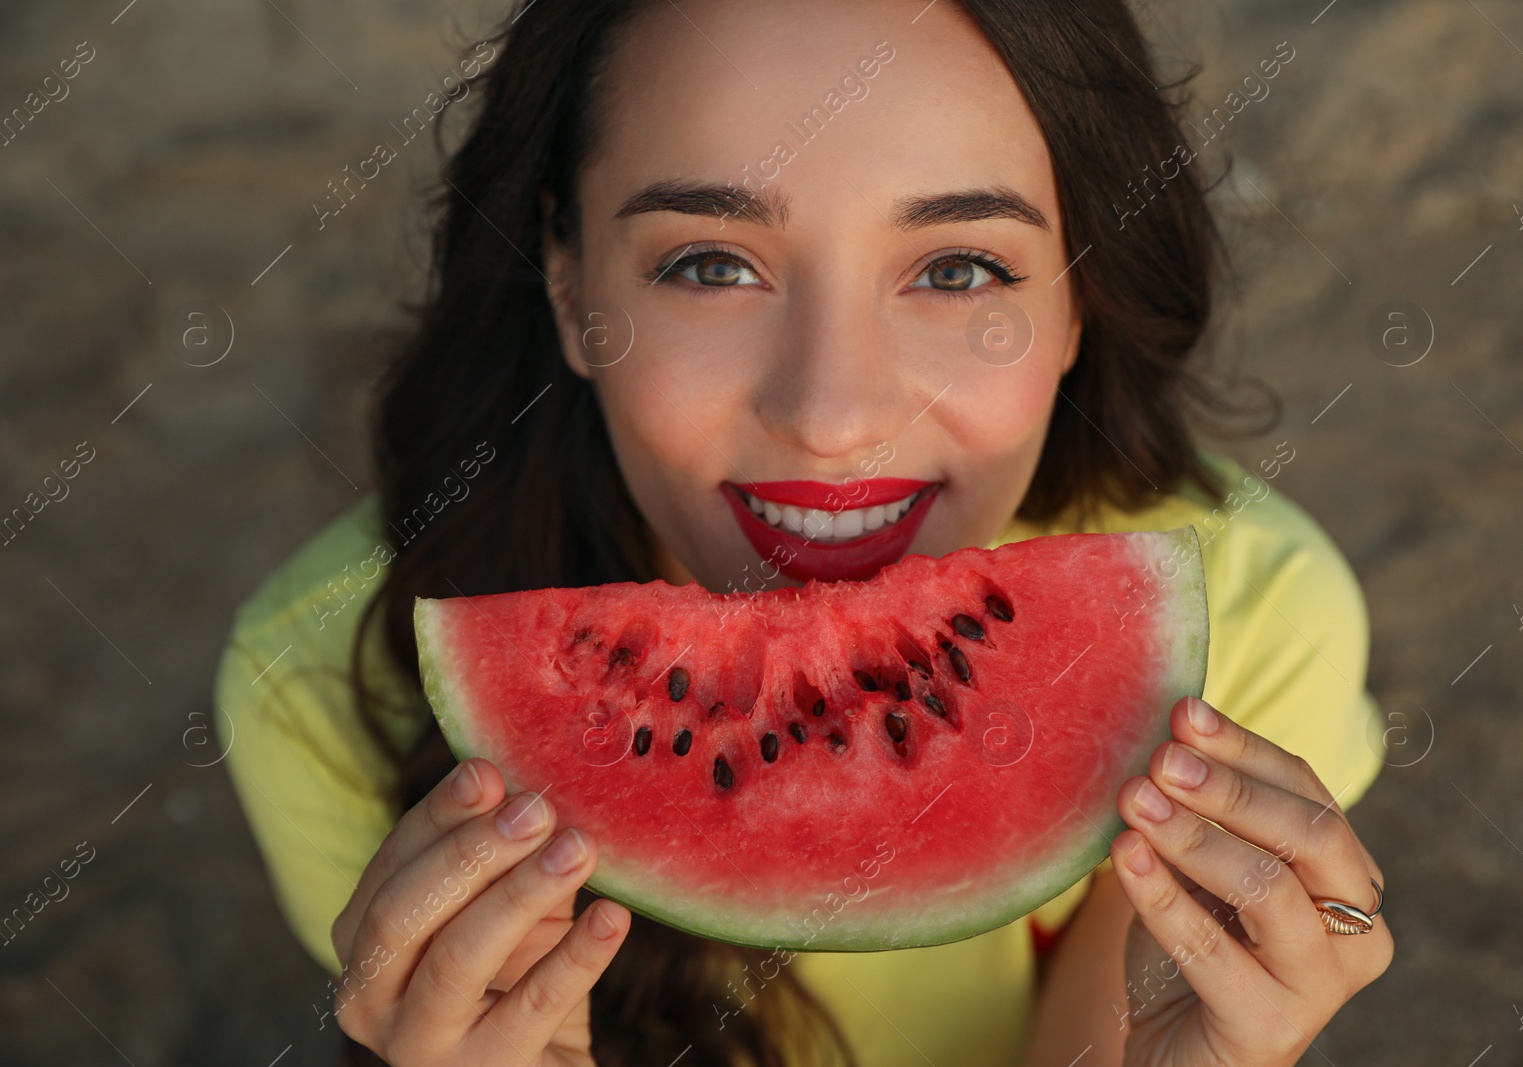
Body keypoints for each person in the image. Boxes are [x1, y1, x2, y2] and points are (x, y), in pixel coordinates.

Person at [215, 1, 1393, 1063]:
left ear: (1078, 296)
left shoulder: (1244, 612)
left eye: (960, 268)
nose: (832, 420)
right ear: (570, 287)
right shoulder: (318, 680)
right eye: (711, 263)